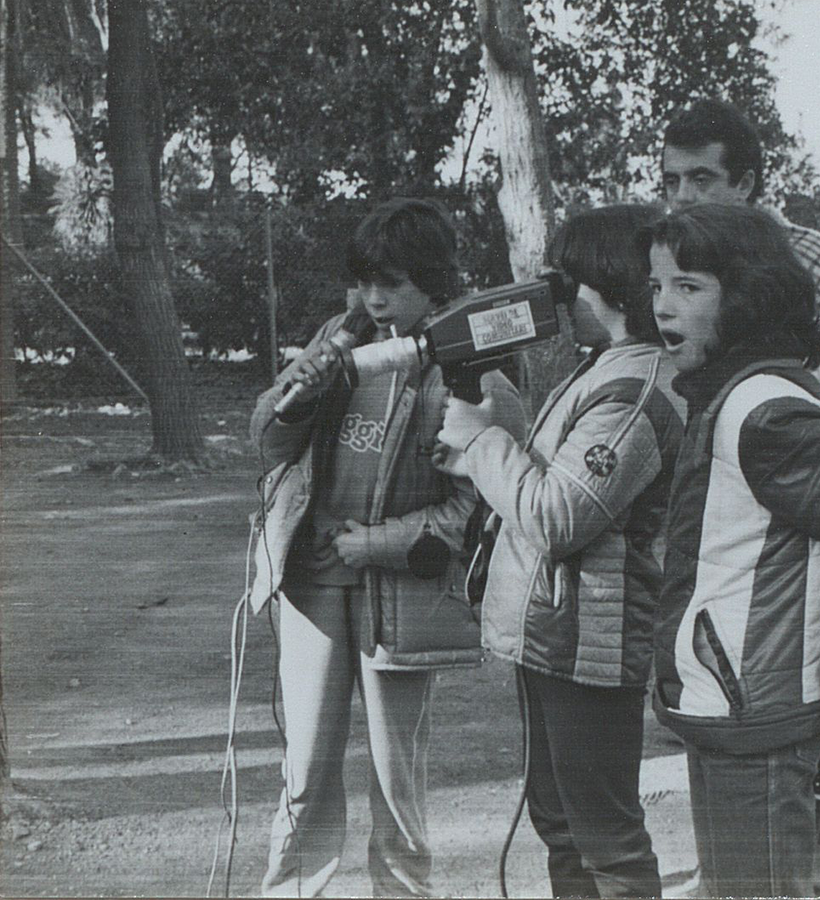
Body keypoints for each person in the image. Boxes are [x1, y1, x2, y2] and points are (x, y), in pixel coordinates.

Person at [644, 203, 820, 898]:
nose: (662, 305)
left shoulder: (764, 411)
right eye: (656, 285)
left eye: (688, 286)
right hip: (729, 710)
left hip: (761, 716)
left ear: (746, 298)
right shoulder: (726, 397)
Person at [436, 204, 684, 898]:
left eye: (567, 283)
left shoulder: (635, 391)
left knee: (605, 838)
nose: (557, 299)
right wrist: (480, 454)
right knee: (560, 823)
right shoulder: (605, 367)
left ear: (609, 286)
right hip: (557, 632)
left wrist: (481, 441)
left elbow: (556, 516)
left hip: (591, 639)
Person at [247, 197, 482, 897]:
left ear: (433, 282)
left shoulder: (462, 361)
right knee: (305, 769)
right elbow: (267, 443)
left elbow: (471, 508)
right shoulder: (341, 333)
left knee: (394, 776)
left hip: (398, 595)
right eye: (364, 282)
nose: (374, 299)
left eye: (393, 284)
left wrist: (377, 544)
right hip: (313, 585)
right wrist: (300, 395)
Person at [661, 96, 820, 458]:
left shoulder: (798, 255)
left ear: (744, 184)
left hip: (816, 445)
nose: (683, 197)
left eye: (701, 179)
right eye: (672, 181)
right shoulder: (678, 260)